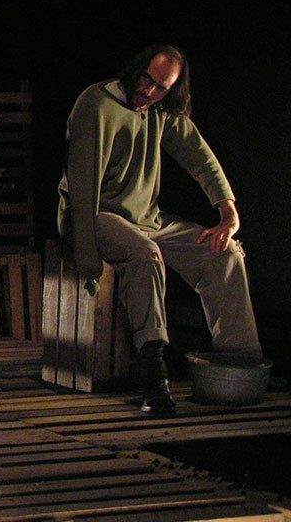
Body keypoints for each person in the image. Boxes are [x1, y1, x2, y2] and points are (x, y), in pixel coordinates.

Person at [58, 43, 262, 414]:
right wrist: (87, 261)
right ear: (135, 70)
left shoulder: (159, 109)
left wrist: (228, 213)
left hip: (146, 219)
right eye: (145, 80)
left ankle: (240, 368)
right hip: (97, 214)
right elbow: (83, 188)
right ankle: (154, 375)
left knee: (225, 254)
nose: (148, 91)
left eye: (160, 88)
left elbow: (198, 155)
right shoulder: (96, 104)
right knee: (146, 254)